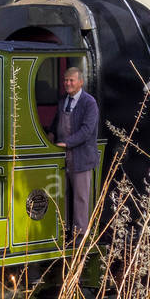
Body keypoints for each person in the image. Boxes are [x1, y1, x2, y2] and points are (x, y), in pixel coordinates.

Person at [51, 66, 100, 239]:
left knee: (81, 198)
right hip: (62, 156)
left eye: (71, 80)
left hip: (81, 157)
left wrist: (67, 143)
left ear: (80, 82)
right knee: (63, 195)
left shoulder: (89, 103)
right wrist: (50, 136)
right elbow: (56, 123)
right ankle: (64, 232)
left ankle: (80, 237)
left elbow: (87, 131)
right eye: (65, 80)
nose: (68, 83)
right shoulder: (62, 101)